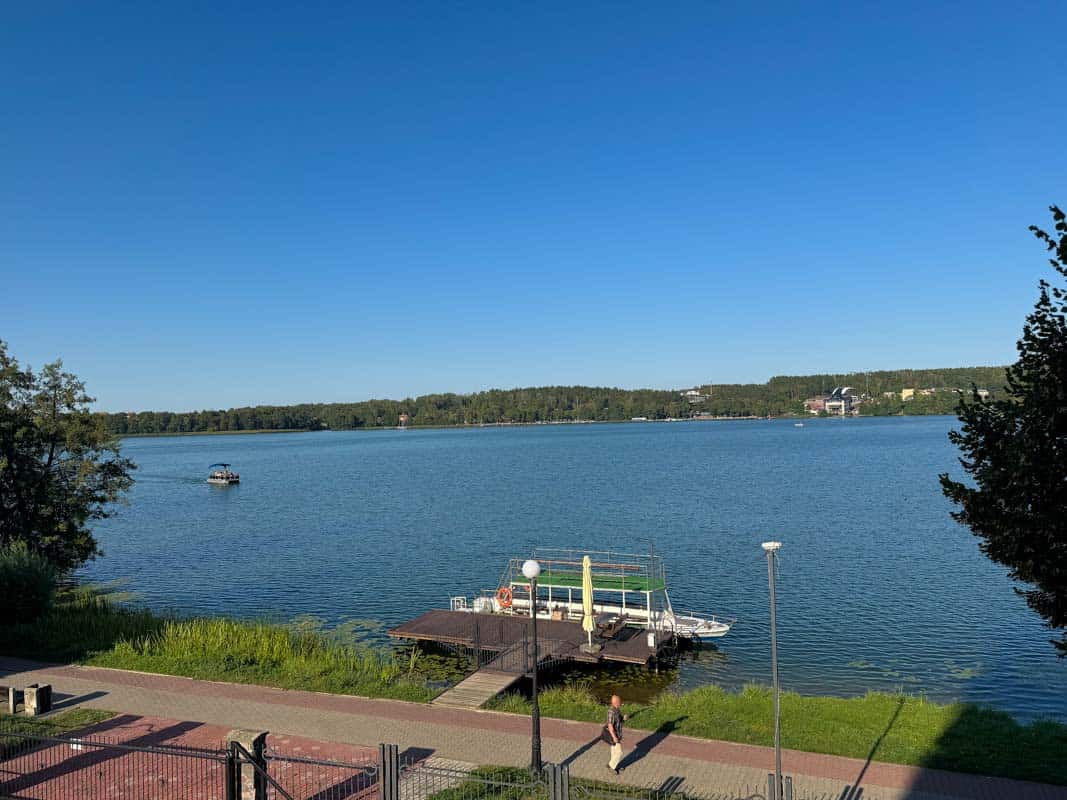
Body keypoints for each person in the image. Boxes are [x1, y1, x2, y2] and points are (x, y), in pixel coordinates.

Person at [605, 694, 629, 774]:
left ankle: (612, 764)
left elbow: (619, 720)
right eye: (620, 701)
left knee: (614, 751)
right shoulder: (611, 712)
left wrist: (624, 718)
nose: (621, 703)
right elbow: (610, 725)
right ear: (615, 702)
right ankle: (612, 766)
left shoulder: (617, 710)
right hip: (614, 735)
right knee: (619, 752)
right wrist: (614, 737)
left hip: (617, 734)